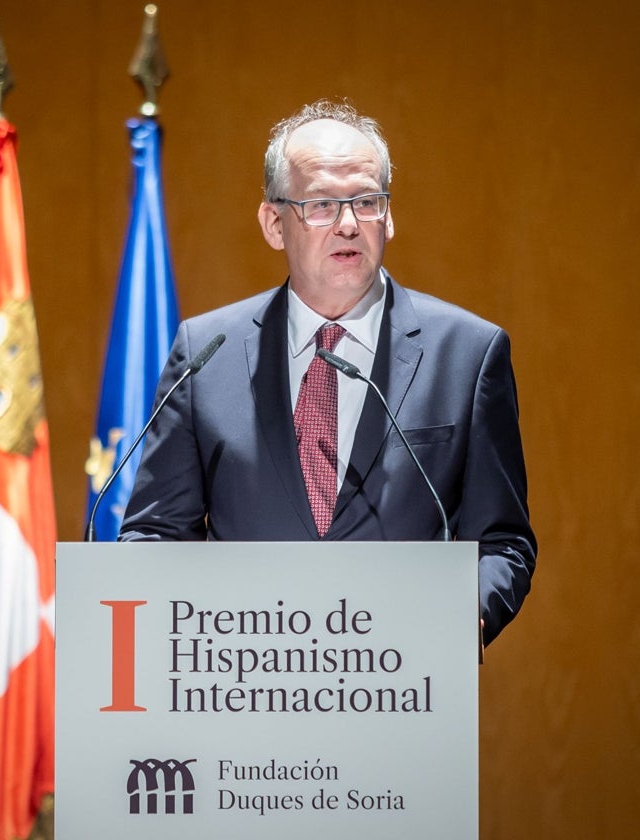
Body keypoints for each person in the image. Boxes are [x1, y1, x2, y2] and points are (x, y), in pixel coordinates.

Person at [118, 100, 535, 645]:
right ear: (274, 223)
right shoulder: (206, 353)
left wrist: (467, 613)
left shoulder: (467, 353)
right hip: (242, 686)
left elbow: (501, 541)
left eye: (366, 201)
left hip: (402, 686)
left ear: (388, 216)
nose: (347, 225)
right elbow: (155, 532)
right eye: (320, 205)